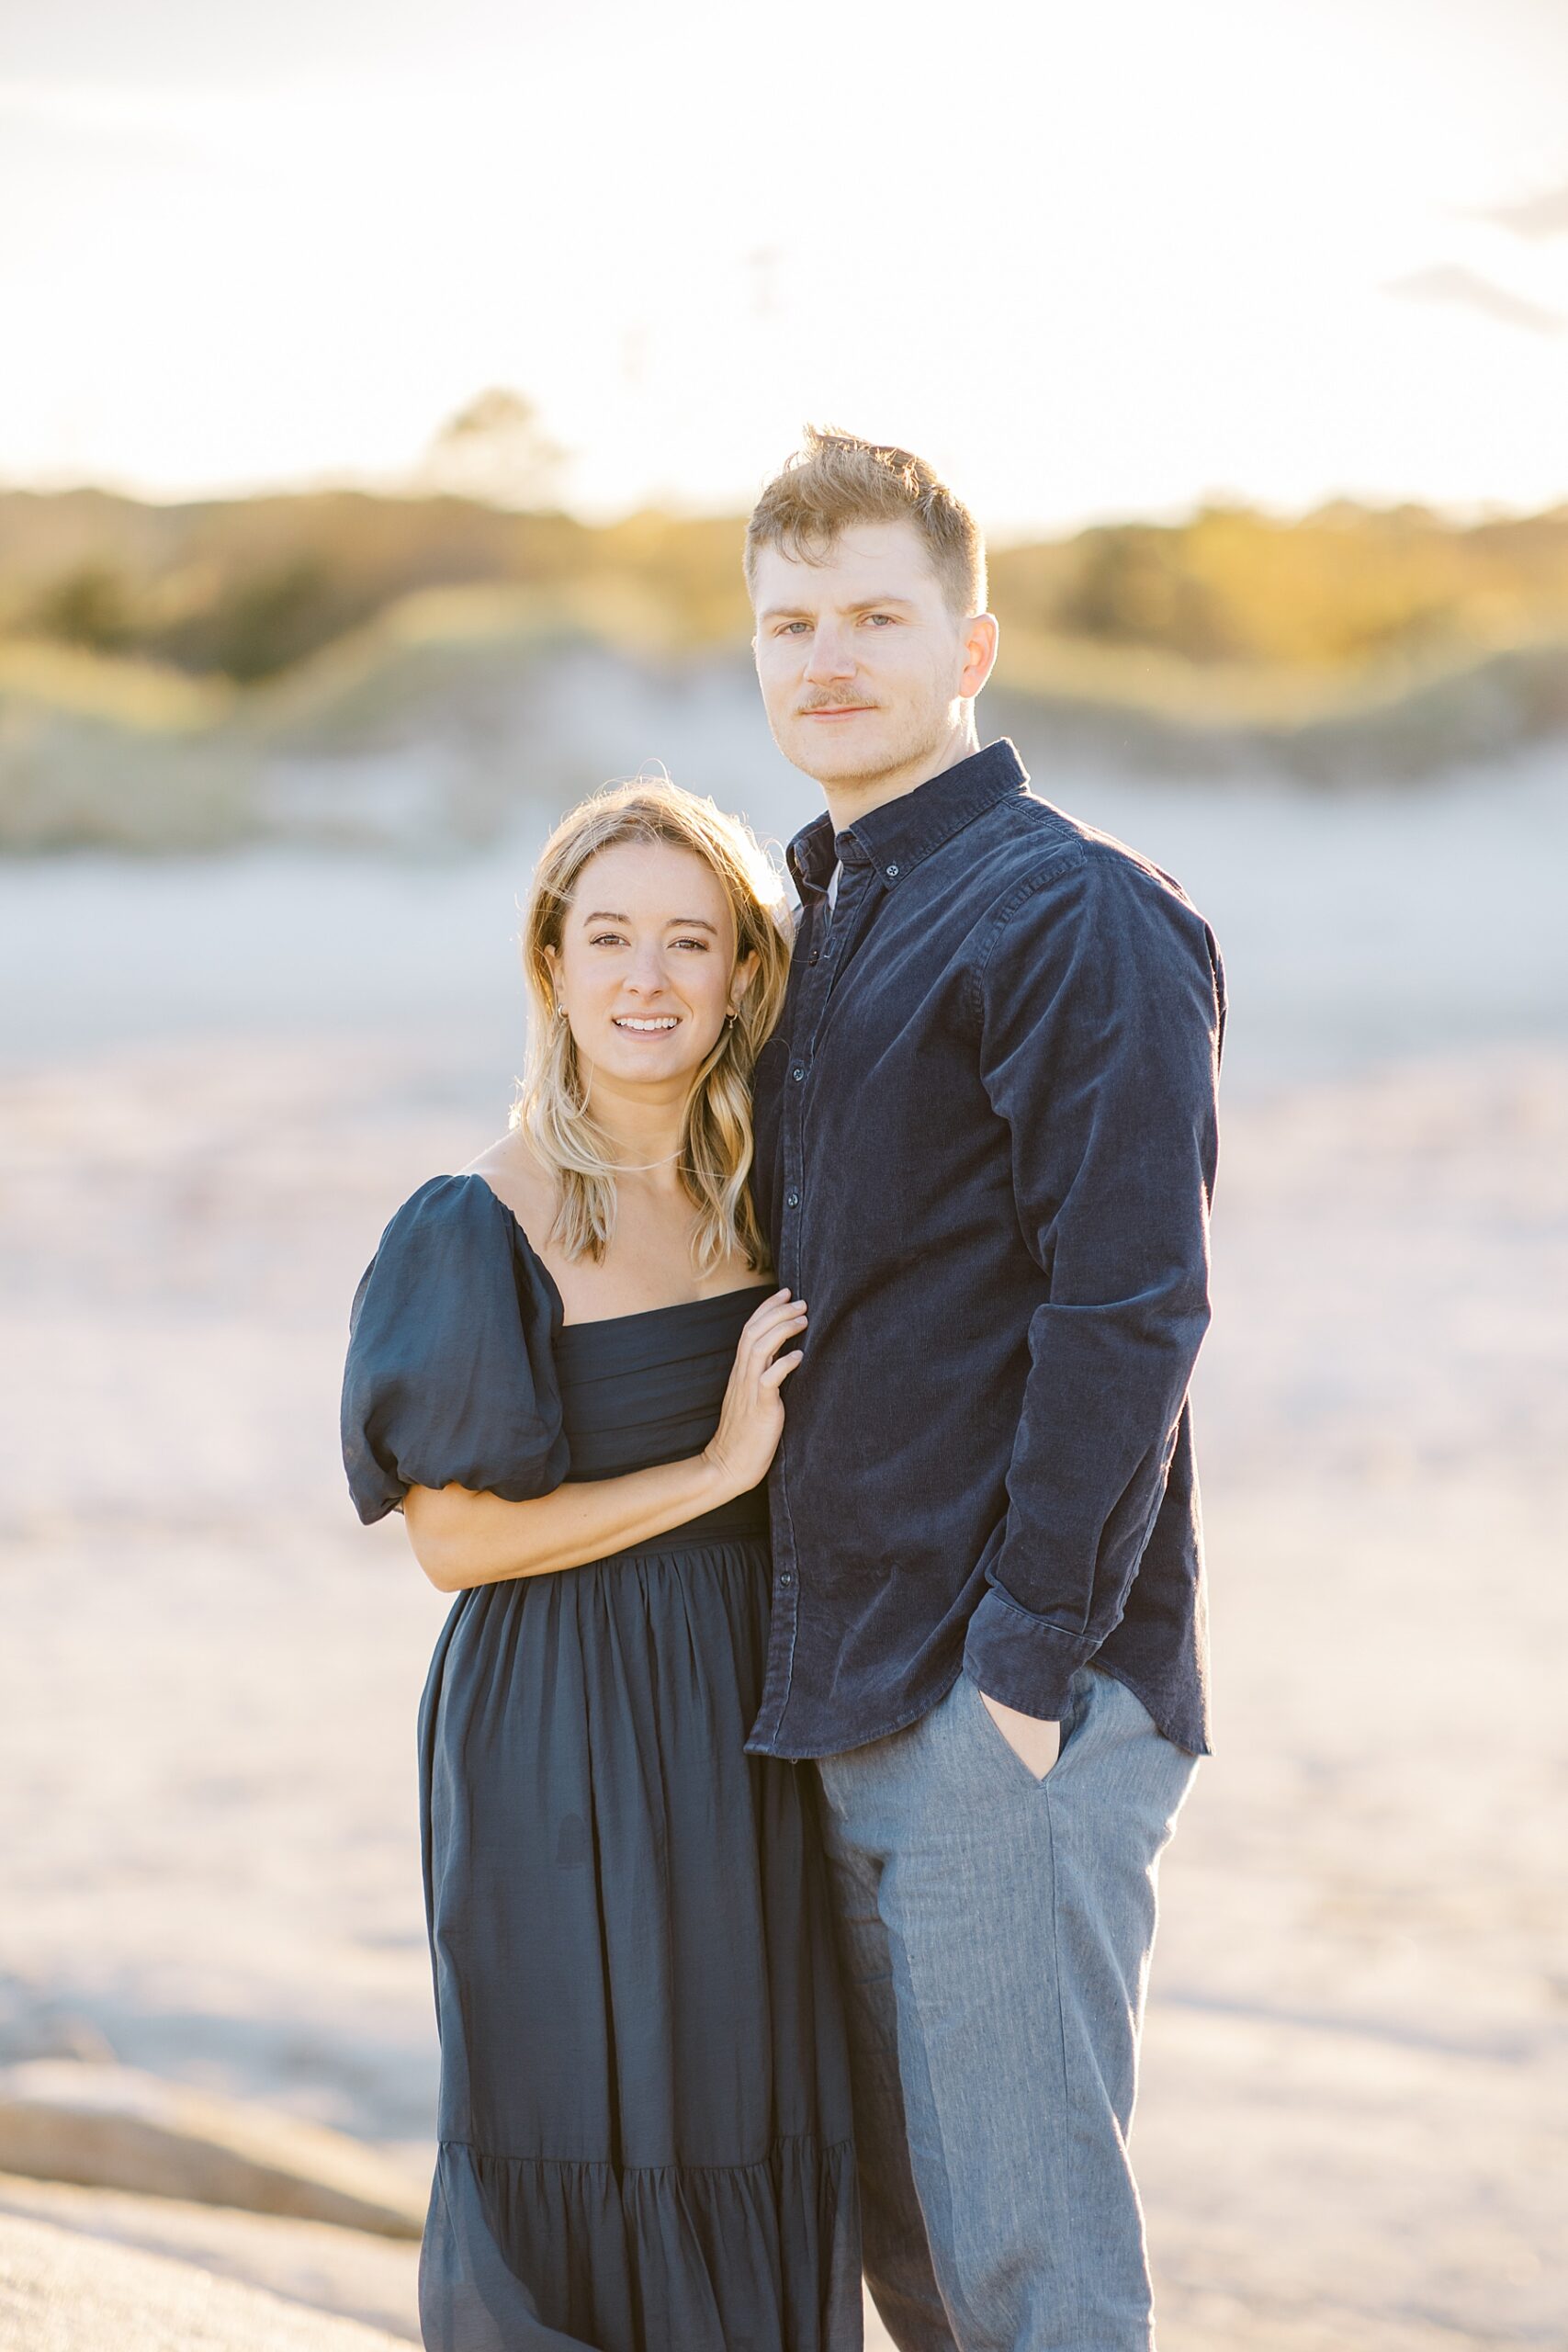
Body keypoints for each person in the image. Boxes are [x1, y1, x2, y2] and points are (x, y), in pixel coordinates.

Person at [742, 430, 1225, 2352]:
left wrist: (1022, 1669)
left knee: (1028, 2278)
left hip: (1003, 1689)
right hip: (848, 1675)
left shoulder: (1069, 909)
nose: (827, 656)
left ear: (972, 642)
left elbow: (1132, 1303)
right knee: (919, 2265)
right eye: (788, 622)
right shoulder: (829, 913)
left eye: (874, 613)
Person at [340, 782, 862, 2352]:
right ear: (553, 966)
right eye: (610, 936)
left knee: (740, 2100)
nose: (649, 978)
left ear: (741, 977)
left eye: (689, 941)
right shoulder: (475, 1222)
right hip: (555, 1721)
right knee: (581, 2106)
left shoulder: (776, 1191)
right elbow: (452, 1541)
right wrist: (711, 1470)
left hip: (745, 1719)